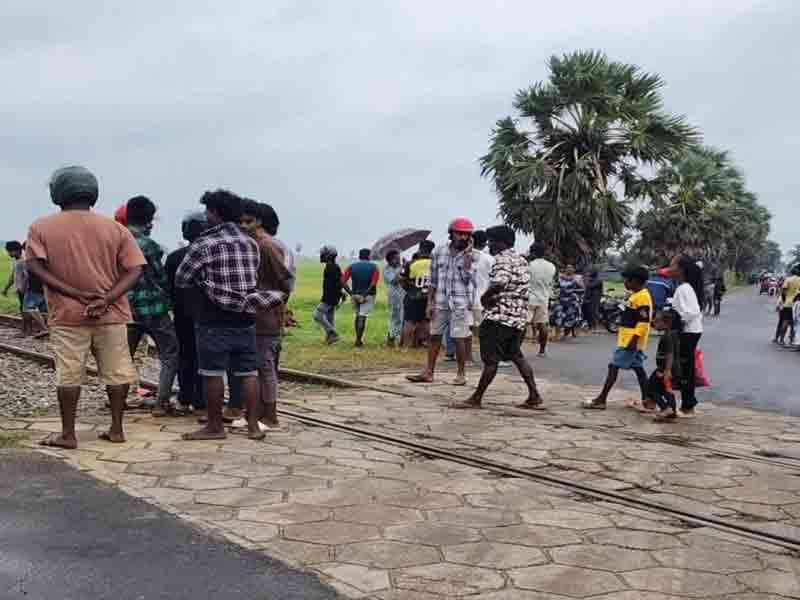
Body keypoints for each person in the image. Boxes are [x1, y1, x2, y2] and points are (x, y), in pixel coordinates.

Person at [26, 166, 145, 449]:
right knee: (117, 372)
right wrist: (107, 298)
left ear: (58, 192)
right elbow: (135, 269)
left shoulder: (41, 227)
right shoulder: (116, 229)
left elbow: (35, 268)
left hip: (67, 315)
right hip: (111, 314)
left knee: (68, 373)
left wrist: (75, 294)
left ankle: (68, 435)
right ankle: (116, 429)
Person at [175, 189, 283, 441]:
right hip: (246, 317)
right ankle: (253, 426)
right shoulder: (251, 244)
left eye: (208, 211)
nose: (206, 216)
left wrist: (205, 283)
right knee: (248, 372)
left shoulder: (204, 244)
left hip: (212, 317)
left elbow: (182, 278)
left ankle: (215, 427)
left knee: (212, 373)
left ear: (216, 213)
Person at [452, 226, 543, 410]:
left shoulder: (502, 259)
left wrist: (485, 298)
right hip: (518, 318)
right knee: (516, 356)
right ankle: (534, 395)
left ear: (501, 242)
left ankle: (476, 398)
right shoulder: (521, 260)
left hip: (499, 317)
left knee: (491, 361)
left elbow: (499, 283)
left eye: (492, 241)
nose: (489, 245)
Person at [231, 200, 292, 429]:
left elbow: (285, 281)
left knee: (265, 368)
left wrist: (275, 303)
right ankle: (254, 413)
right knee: (254, 367)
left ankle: (270, 416)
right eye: (240, 222)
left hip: (266, 316)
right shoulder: (252, 244)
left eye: (248, 221)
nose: (243, 226)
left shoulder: (266, 246)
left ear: (259, 222)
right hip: (255, 315)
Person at [124, 195, 180, 417]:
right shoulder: (148, 245)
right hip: (153, 308)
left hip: (126, 310)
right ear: (149, 220)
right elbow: (160, 277)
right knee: (170, 354)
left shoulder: (116, 240)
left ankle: (119, 400)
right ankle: (160, 403)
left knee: (123, 357)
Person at [407, 218, 476, 386]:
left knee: (459, 338)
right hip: (440, 302)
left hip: (460, 303)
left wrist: (467, 259)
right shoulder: (439, 252)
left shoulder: (473, 255)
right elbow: (433, 280)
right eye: (459, 233)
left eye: (466, 234)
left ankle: (461, 374)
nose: (463, 237)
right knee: (434, 336)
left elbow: (469, 280)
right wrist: (429, 303)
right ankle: (428, 372)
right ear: (451, 233)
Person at [583, 266, 652, 410]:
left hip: (630, 342)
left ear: (635, 281)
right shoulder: (635, 295)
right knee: (639, 369)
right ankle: (648, 399)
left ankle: (602, 399)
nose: (624, 283)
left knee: (613, 367)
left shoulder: (642, 297)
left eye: (626, 280)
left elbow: (644, 323)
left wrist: (634, 340)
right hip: (628, 340)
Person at [165, 212, 210, 414]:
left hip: (182, 314)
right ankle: (202, 399)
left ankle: (185, 396)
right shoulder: (210, 253)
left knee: (185, 356)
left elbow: (168, 287)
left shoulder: (174, 257)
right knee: (204, 357)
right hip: (206, 314)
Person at [666, 254, 704, 416]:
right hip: (691, 331)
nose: (669, 268)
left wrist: (677, 322)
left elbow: (692, 311)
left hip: (687, 332)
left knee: (684, 369)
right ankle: (688, 403)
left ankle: (688, 405)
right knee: (685, 368)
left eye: (672, 265)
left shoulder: (684, 289)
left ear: (681, 270)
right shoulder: (684, 287)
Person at [341, 249, 379, 347]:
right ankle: (358, 340)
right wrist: (364, 295)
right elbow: (373, 283)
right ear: (369, 256)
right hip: (368, 296)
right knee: (362, 316)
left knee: (357, 316)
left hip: (355, 294)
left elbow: (342, 281)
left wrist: (351, 293)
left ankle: (358, 338)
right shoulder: (374, 267)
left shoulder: (351, 266)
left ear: (359, 256)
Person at [401, 241, 434, 347]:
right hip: (429, 297)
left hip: (413, 296)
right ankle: (427, 345)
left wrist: (409, 289)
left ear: (419, 249)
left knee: (409, 322)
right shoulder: (435, 264)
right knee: (426, 322)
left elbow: (402, 280)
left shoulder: (410, 263)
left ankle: (406, 346)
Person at [649, 311, 681, 421]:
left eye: (657, 321)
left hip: (666, 369)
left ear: (666, 323)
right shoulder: (672, 334)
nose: (654, 322)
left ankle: (665, 408)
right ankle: (672, 411)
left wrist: (667, 371)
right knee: (667, 389)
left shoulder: (667, 336)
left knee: (651, 388)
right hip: (669, 368)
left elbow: (670, 354)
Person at [527, 243, 556, 356]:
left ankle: (516, 350)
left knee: (523, 324)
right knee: (542, 324)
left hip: (530, 297)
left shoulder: (529, 265)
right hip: (544, 298)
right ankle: (542, 350)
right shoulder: (551, 266)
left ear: (533, 253)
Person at [471, 230, 494, 362]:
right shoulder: (489, 259)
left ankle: (466, 358)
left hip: (465, 299)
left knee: (466, 331)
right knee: (487, 332)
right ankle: (489, 358)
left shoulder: (463, 256)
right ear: (485, 243)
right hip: (483, 300)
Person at [314, 245, 344, 344]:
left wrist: (343, 293)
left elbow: (339, 282)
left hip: (329, 297)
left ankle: (333, 333)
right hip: (333, 296)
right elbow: (339, 282)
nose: (320, 256)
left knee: (317, 315)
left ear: (328, 256)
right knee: (329, 318)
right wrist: (342, 294)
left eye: (322, 254)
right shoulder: (333, 266)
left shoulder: (331, 267)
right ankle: (329, 339)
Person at [551, 264, 583, 339]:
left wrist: (573, 291)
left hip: (572, 301)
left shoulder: (577, 278)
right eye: (568, 268)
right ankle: (557, 335)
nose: (569, 269)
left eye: (571, 268)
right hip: (561, 300)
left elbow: (582, 289)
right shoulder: (560, 278)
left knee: (570, 317)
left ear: (574, 270)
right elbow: (555, 287)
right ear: (565, 269)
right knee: (558, 316)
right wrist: (556, 292)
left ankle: (567, 332)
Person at [383, 249, 405, 347]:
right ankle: (391, 338)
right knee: (394, 317)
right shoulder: (387, 270)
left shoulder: (401, 267)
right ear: (390, 260)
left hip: (404, 295)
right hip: (394, 297)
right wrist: (402, 269)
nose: (398, 260)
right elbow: (394, 280)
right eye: (396, 259)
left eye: (399, 258)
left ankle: (401, 339)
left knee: (403, 317)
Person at [774, 265, 800, 346]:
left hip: (788, 303)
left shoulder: (788, 279)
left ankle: (781, 340)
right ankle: (792, 341)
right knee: (794, 323)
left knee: (784, 321)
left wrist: (784, 300)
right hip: (797, 304)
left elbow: (783, 291)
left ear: (791, 272)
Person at [3, 241, 26, 316]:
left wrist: (23, 289)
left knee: (26, 309)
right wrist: (6, 288)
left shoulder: (24, 261)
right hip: (20, 290)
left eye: (9, 252)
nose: (8, 254)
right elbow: (13, 276)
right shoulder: (16, 261)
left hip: (25, 290)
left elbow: (27, 277)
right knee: (23, 308)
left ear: (16, 250)